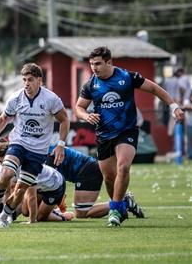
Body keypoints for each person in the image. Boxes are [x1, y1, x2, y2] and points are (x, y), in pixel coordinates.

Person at [75, 46, 184, 227]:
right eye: (92, 64)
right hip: (104, 135)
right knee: (109, 179)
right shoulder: (90, 85)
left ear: (109, 62)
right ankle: (123, 205)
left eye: (98, 64)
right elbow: (79, 107)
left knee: (123, 167)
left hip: (127, 131)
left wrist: (174, 106)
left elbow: (155, 89)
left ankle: (115, 210)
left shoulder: (127, 77)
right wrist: (86, 116)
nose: (94, 67)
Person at [0, 63, 70, 227]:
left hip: (38, 151)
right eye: (24, 80)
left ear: (39, 80)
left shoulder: (51, 99)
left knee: (21, 189)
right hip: (19, 143)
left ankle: (4, 215)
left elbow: (64, 120)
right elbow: (2, 120)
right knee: (6, 173)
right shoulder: (16, 98)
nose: (26, 83)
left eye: (30, 80)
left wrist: (60, 144)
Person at [46, 145, 144, 219]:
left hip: (88, 171)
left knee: (81, 213)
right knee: (80, 211)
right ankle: (121, 204)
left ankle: (124, 202)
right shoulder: (41, 152)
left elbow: (54, 186)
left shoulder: (45, 156)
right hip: (84, 170)